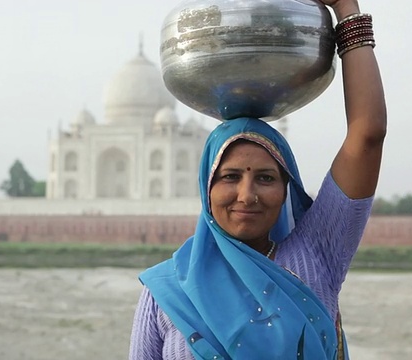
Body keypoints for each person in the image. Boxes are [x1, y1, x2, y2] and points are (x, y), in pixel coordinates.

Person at [129, 0, 386, 358]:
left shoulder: (317, 254)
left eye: (265, 178)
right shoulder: (166, 292)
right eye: (230, 177)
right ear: (207, 189)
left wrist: (346, 9)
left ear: (286, 190)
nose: (246, 195)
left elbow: (368, 134)